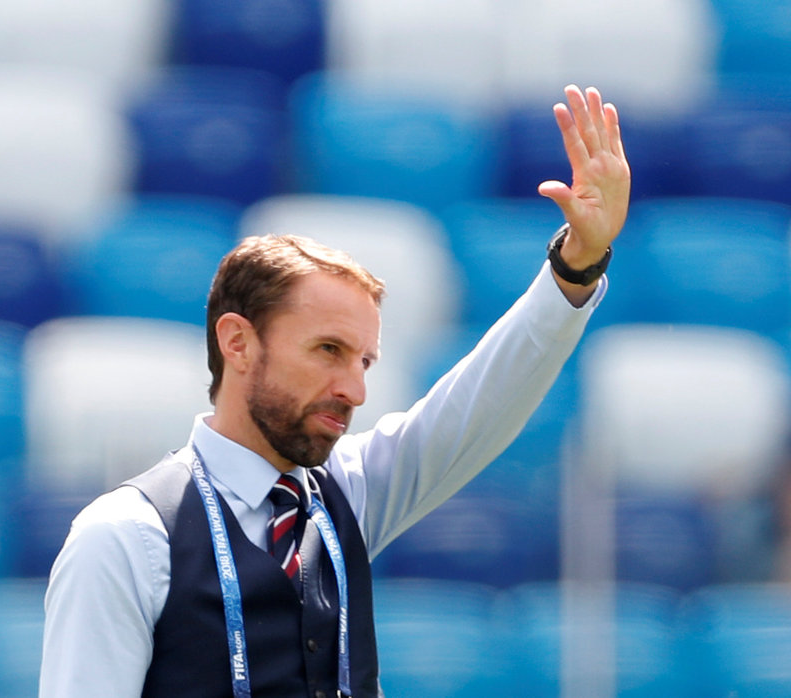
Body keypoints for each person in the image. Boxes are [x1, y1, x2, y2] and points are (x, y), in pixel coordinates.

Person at [39, 84, 631, 697]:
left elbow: (480, 404)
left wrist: (578, 263)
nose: (354, 390)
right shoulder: (124, 537)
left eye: (365, 362)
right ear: (237, 342)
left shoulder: (344, 494)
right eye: (328, 351)